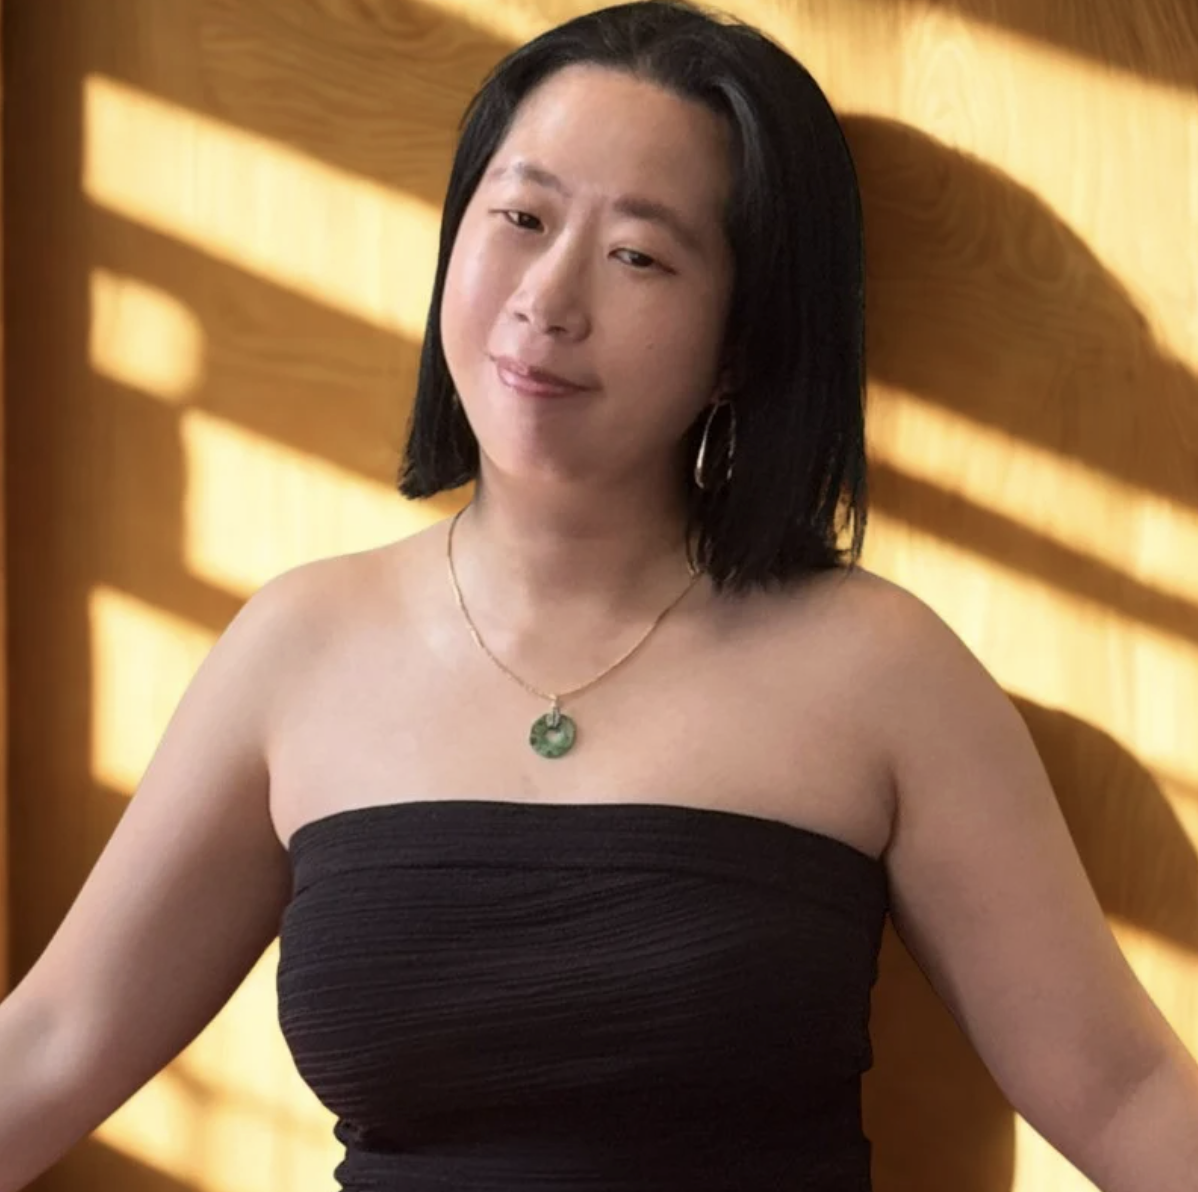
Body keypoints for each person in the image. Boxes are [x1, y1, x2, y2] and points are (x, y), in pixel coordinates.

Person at [1, 1, 1196, 1189]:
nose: (548, 300)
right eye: (518, 218)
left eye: (638, 254)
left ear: (741, 341)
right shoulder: (298, 644)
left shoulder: (880, 667)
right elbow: (52, 1042)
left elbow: (1122, 1089)